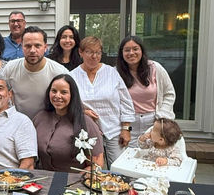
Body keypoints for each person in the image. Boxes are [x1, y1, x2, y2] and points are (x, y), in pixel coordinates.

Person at [69, 36, 135, 167]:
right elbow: (67, 104)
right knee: (93, 171)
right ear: (80, 52)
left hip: (114, 131)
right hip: (87, 132)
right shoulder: (72, 76)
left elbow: (126, 102)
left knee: (119, 169)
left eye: (98, 52)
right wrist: (83, 111)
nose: (94, 56)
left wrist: (126, 128)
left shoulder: (111, 73)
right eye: (89, 52)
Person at [33, 74, 104, 172]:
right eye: (54, 91)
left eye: (64, 92)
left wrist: (76, 180)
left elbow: (97, 164)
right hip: (42, 180)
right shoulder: (40, 118)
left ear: (72, 95)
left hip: (73, 182)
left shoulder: (86, 122)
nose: (57, 96)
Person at [116, 36, 176, 147]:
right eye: (127, 50)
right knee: (128, 160)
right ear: (121, 53)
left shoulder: (155, 68)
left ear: (142, 51)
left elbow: (169, 93)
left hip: (153, 123)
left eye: (135, 49)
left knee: (152, 159)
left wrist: (161, 116)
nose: (131, 53)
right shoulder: (115, 72)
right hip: (127, 125)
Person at [3, 26, 68, 120]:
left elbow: (72, 98)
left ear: (45, 47)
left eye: (37, 46)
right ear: (22, 47)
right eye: (28, 46)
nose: (33, 50)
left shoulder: (59, 72)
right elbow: (0, 93)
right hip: (18, 123)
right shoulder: (10, 68)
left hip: (49, 123)